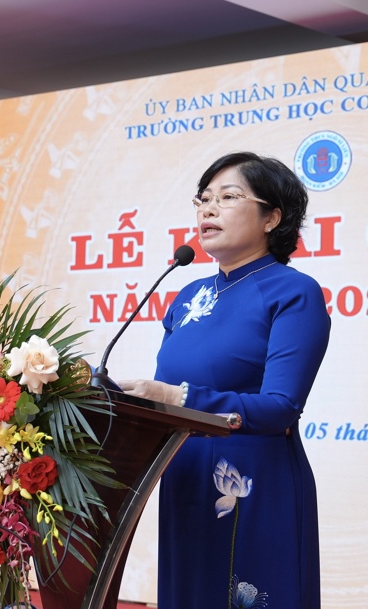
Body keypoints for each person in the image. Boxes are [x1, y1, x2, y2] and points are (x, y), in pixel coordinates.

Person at [119, 152, 331, 609]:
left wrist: (179, 397)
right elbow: (160, 403)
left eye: (228, 197)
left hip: (254, 482)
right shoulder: (187, 295)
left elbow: (280, 408)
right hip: (183, 474)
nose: (207, 210)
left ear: (272, 217)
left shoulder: (294, 293)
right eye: (203, 199)